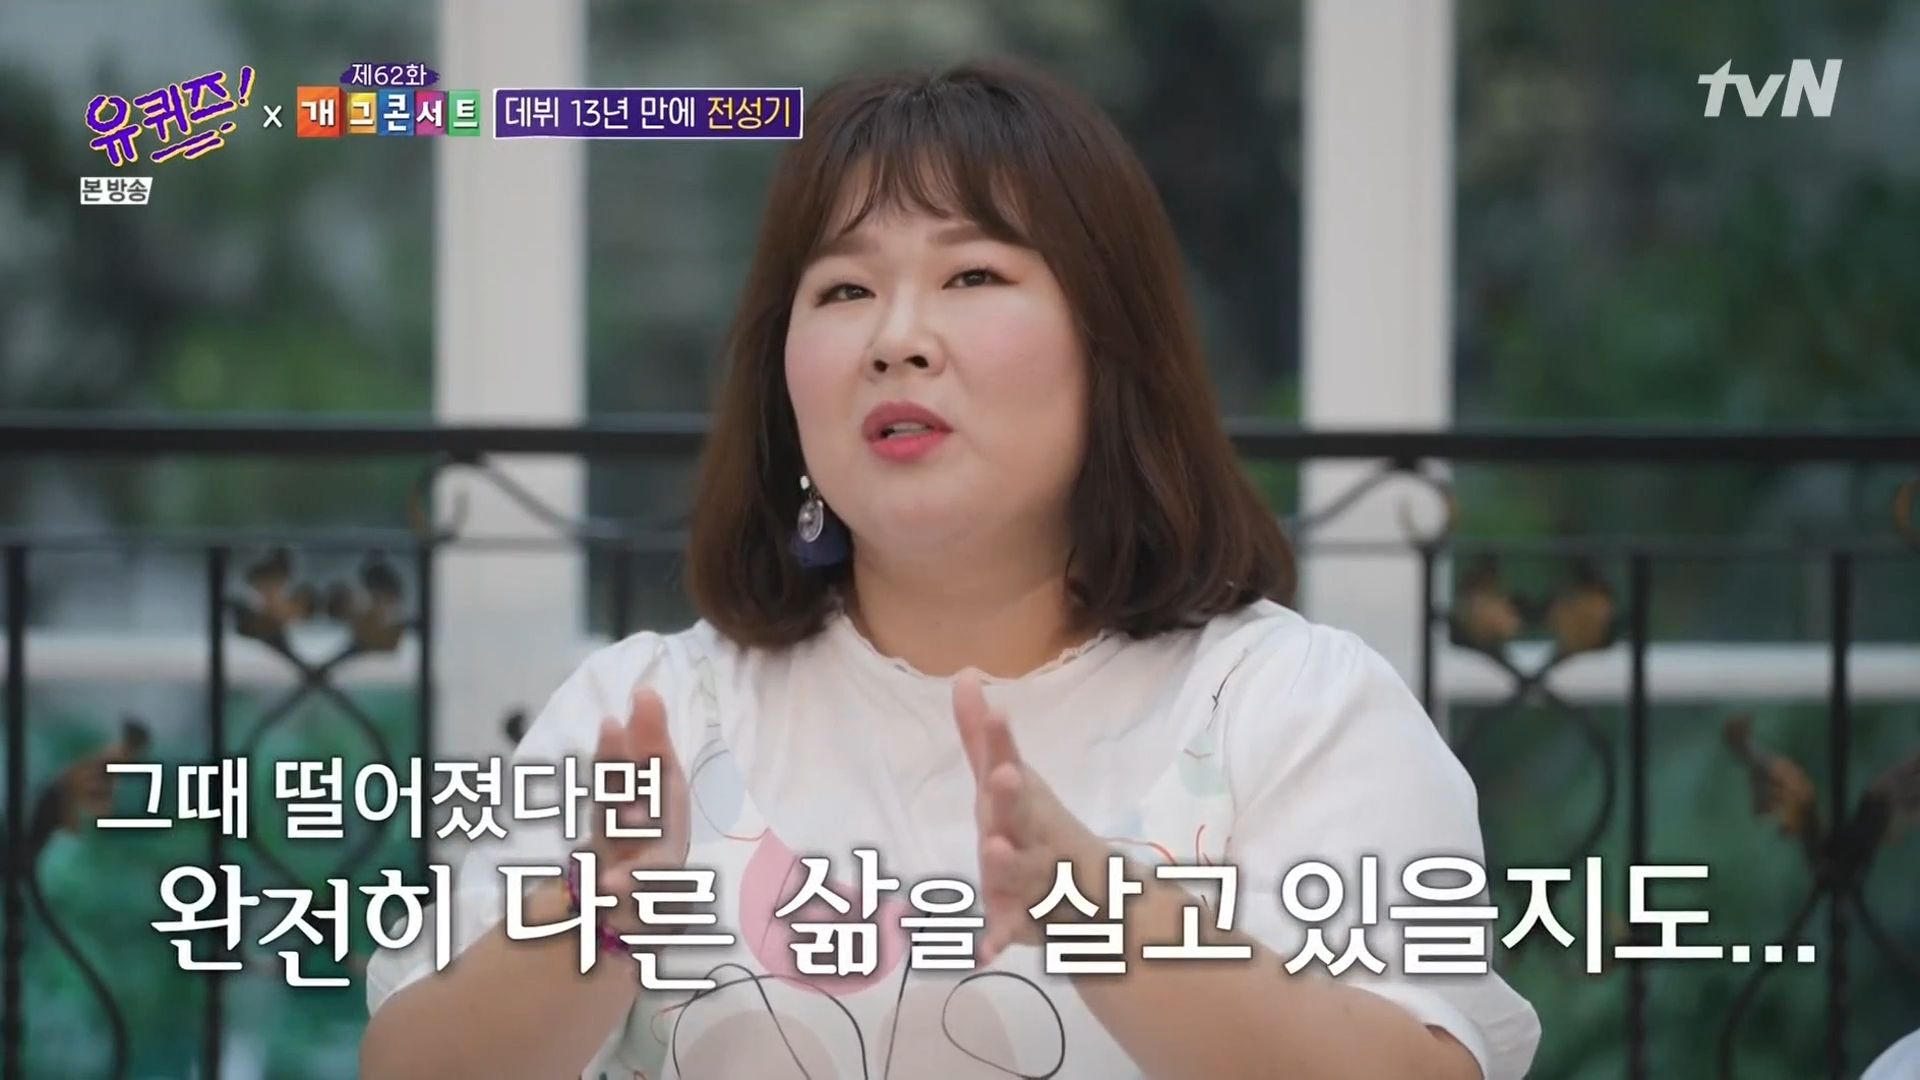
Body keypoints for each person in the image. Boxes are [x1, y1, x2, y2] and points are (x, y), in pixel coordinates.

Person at [359, 56, 1541, 1080]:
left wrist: (1098, 905)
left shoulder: (1291, 706)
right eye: (844, 290)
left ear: (1112, 350)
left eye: (973, 276)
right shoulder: (648, 714)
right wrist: (601, 916)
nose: (896, 338)